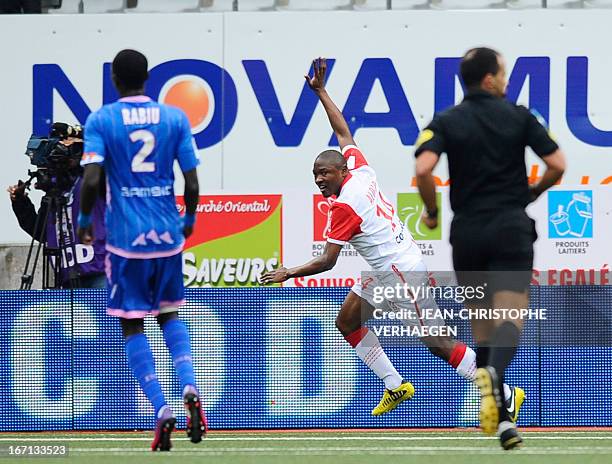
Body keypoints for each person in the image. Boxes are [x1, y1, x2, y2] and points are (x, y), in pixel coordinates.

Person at [260, 57, 523, 421]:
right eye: (314, 175)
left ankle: (505, 392)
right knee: (347, 321)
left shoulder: (344, 207)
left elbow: (327, 261)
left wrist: (287, 273)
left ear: (340, 171)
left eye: (324, 174)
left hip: (400, 272)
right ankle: (395, 384)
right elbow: (343, 134)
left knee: (437, 341)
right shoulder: (360, 168)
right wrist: (321, 92)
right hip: (386, 266)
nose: (319, 180)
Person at [415, 47, 566, 449]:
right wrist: (530, 193)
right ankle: (495, 377)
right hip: (509, 228)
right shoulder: (519, 116)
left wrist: (431, 211)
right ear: (489, 79)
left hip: (466, 233)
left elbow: (423, 170)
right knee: (510, 320)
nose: (506, 80)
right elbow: (558, 164)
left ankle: (501, 424)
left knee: (481, 329)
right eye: (503, 73)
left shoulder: (445, 120)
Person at [77, 49, 206, 452]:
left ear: (114, 80)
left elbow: (93, 178)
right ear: (148, 78)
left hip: (124, 242)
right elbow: (193, 183)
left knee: (133, 324)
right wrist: (186, 223)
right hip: (167, 235)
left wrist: (83, 224)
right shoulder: (175, 118)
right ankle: (189, 385)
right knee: (170, 314)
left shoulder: (101, 120)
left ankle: (161, 409)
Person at [8, 123, 106, 289]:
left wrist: (78, 135)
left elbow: (108, 151)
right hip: (66, 276)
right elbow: (42, 232)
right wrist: (20, 203)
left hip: (99, 272)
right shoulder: (55, 191)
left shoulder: (92, 181)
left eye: (67, 145)